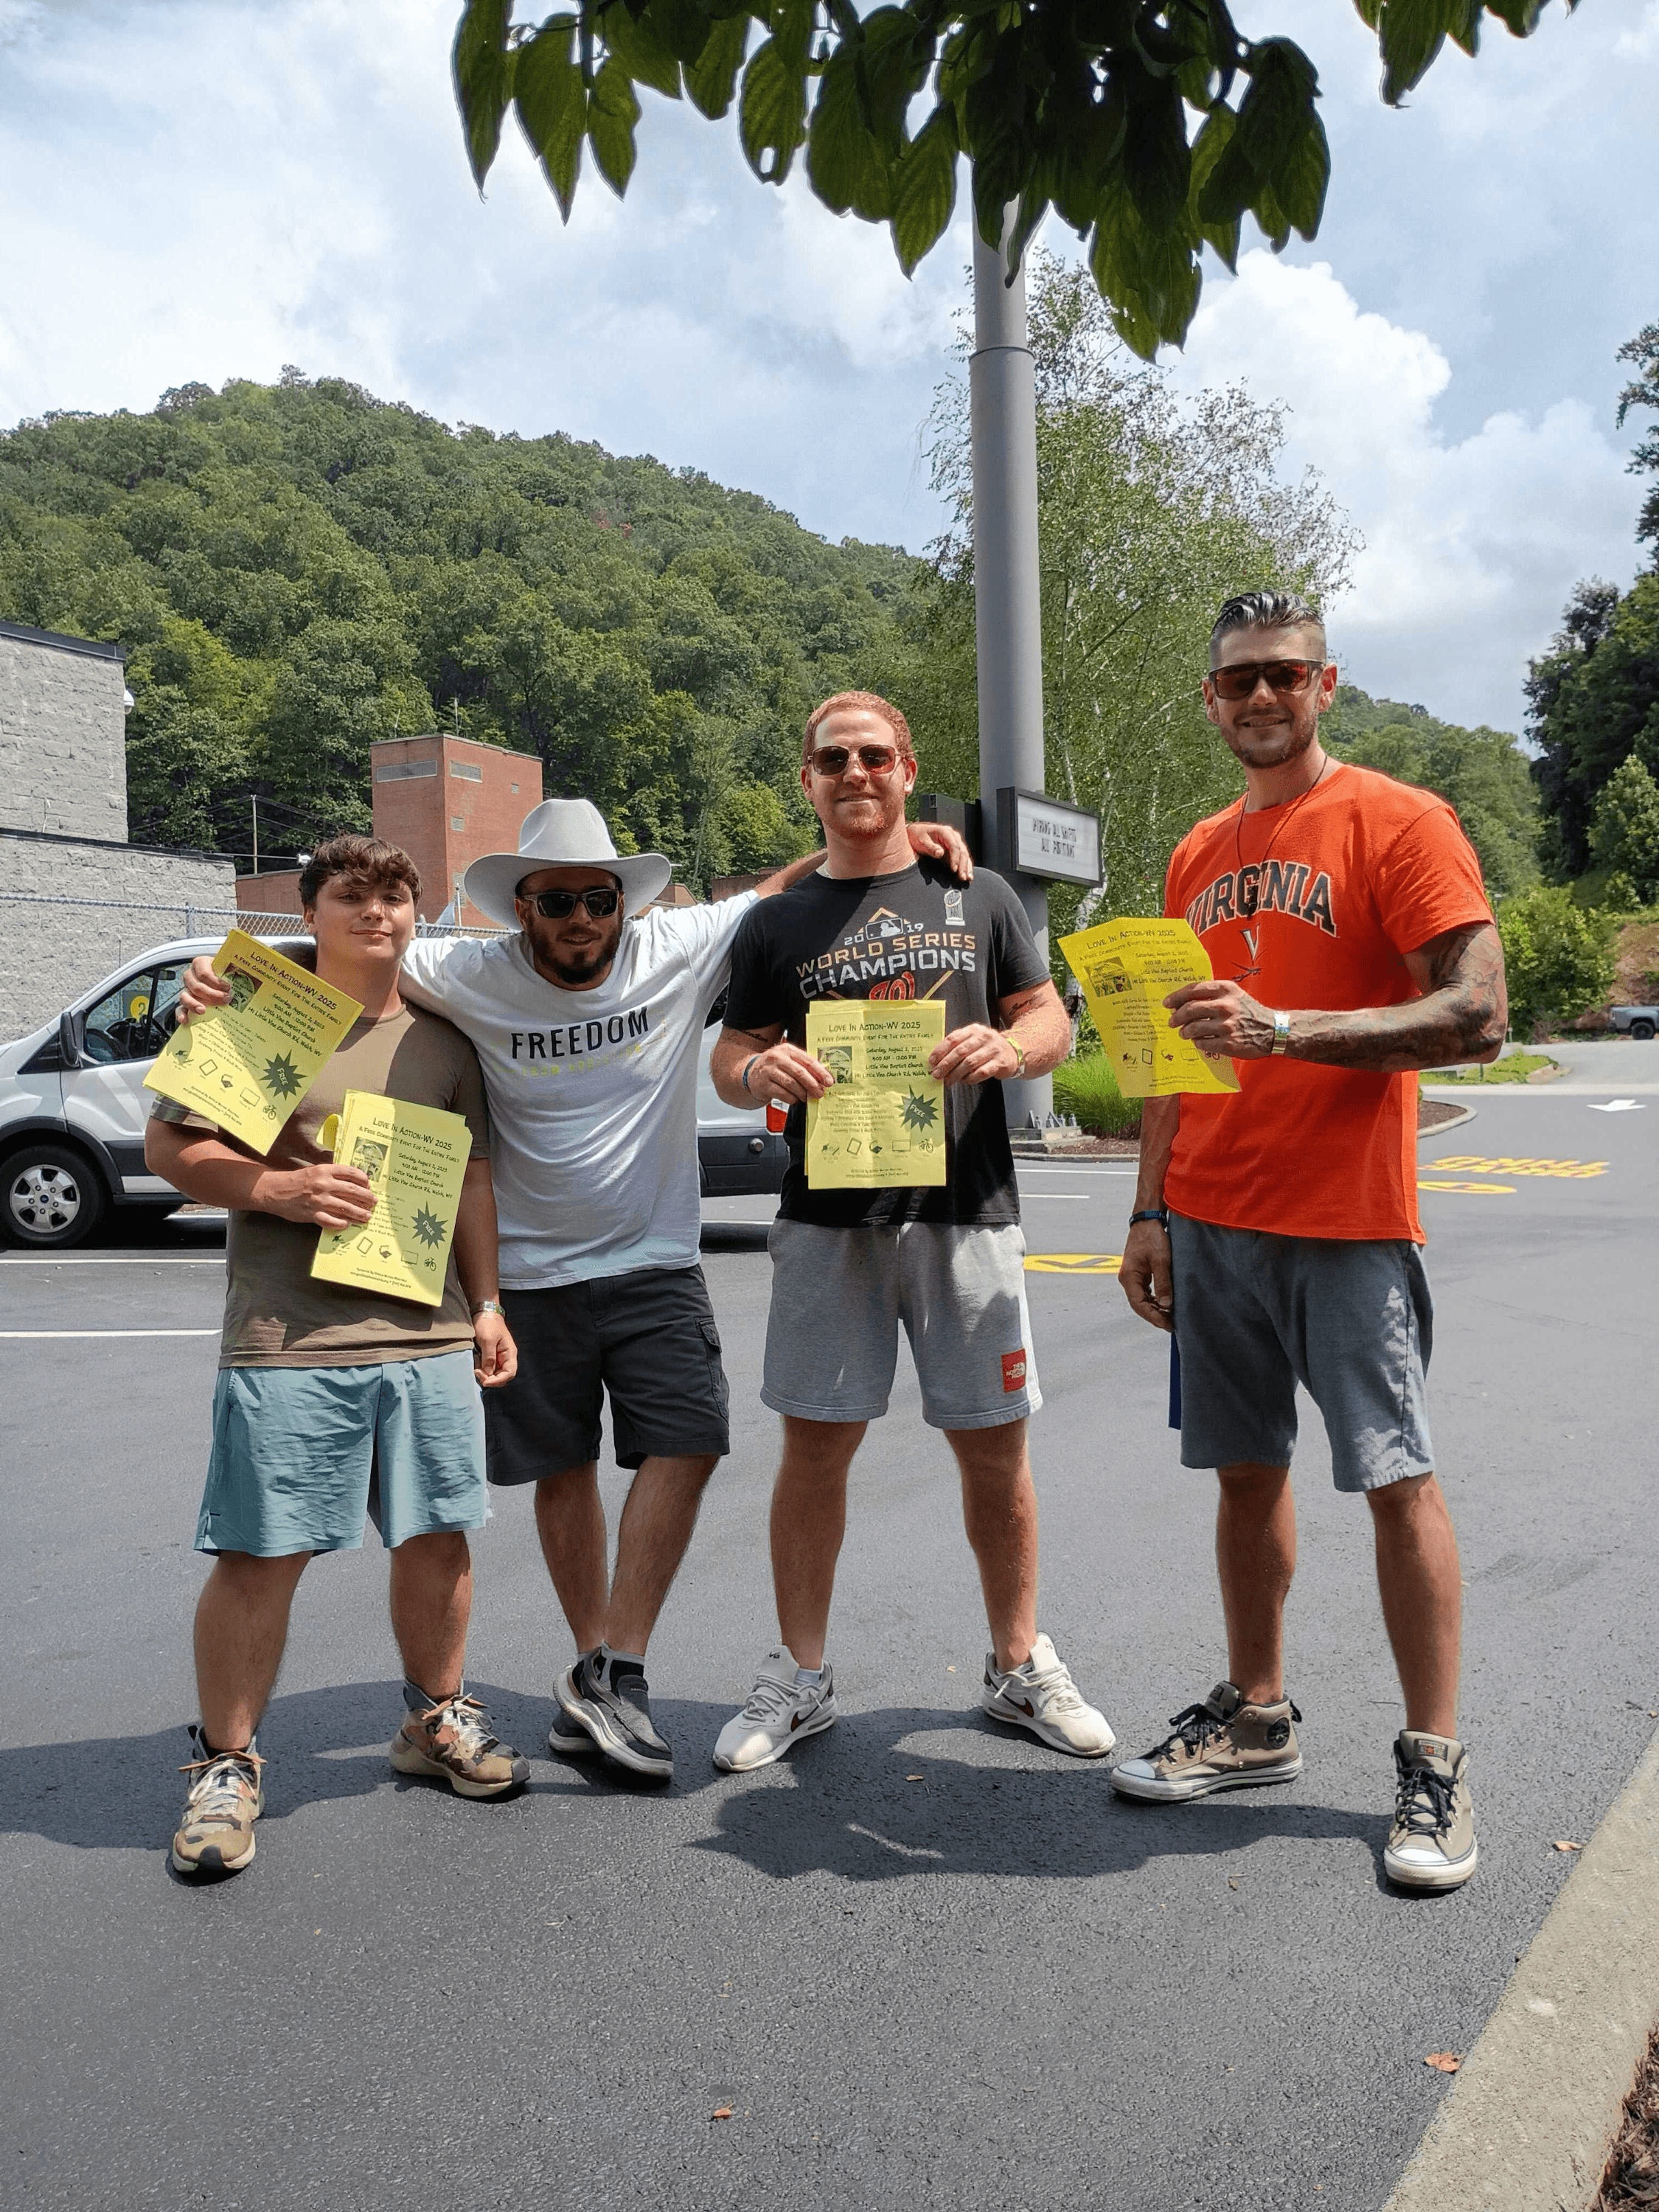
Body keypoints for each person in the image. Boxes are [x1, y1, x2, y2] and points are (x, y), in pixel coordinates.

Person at [179, 793, 971, 1784]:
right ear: (521, 908)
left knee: (685, 1442)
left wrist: (888, 842)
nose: (578, 917)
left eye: (596, 897)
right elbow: (347, 946)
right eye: (554, 901)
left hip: (651, 1259)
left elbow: (778, 888)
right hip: (524, 1273)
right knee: (556, 1471)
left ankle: (608, 1669)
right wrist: (223, 978)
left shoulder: (674, 943)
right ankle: (580, 1676)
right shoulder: (459, 969)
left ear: (624, 903)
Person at [1110, 591, 1507, 1893]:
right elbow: (1170, 1050)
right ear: (1212, 701)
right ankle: (1256, 1715)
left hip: (1343, 1217)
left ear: (1325, 684)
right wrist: (1148, 1207)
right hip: (1212, 1215)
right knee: (1239, 1470)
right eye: (1236, 682)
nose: (1260, 697)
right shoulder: (1192, 852)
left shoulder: (1398, 820)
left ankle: (1434, 1761)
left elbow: (1479, 1014)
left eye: (1282, 675)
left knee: (1394, 1477)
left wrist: (1290, 1030)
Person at [706, 690, 1115, 1772]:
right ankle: (799, 1676)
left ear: (903, 768)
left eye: (873, 756)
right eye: (831, 757)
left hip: (965, 1213)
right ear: (808, 779)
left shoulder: (972, 893)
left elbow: (1049, 1018)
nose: (854, 774)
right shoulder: (774, 923)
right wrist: (756, 1069)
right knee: (815, 1450)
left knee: (993, 1449)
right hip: (826, 1219)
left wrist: (1008, 1050)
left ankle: (1017, 1663)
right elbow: (729, 1050)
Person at [150, 835, 525, 1882]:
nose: (377, 912)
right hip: (287, 1338)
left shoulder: (447, 1041)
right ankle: (225, 1767)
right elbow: (171, 1148)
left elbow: (475, 1186)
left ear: (417, 915)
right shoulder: (258, 1014)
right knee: (262, 1554)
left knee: (440, 1536)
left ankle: (433, 1721)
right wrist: (276, 1190)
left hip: (428, 1329)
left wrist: (487, 1306)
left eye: (396, 896)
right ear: (307, 914)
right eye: (351, 895)